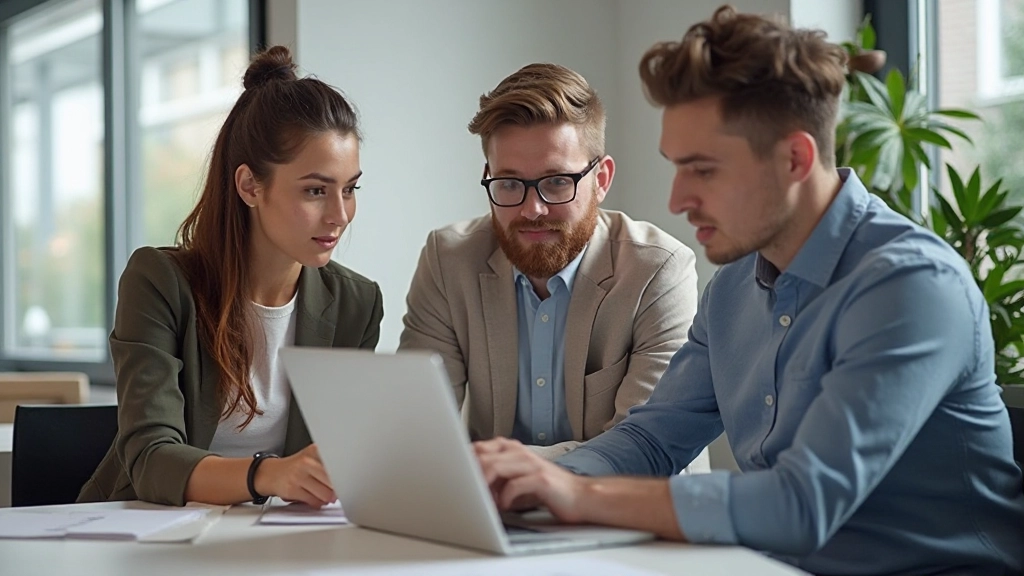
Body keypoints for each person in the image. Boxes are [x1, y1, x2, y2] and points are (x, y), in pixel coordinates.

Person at [474, 6, 1024, 574]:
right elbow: (652, 442)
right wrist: (535, 481)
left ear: (795, 158)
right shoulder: (734, 286)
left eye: (704, 169)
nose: (678, 199)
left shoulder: (911, 287)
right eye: (676, 167)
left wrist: (579, 496)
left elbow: (801, 504)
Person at [78, 46, 382, 508]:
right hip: (143, 531)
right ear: (249, 186)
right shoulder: (159, 283)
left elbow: (340, 456)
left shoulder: (357, 304)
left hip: (273, 539)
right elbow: (151, 459)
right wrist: (269, 475)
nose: (340, 215)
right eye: (316, 191)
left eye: (350, 189)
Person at [399, 63, 706, 468]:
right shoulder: (448, 260)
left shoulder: (659, 271)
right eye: (509, 183)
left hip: (628, 519)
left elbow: (644, 451)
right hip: (494, 518)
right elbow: (415, 431)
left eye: (558, 181)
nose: (533, 209)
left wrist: (517, 470)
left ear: (602, 178)